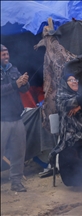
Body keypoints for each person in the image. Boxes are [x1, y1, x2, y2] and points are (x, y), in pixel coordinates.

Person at [1, 44, 30, 192]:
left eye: (7, 54)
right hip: (1, 120)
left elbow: (23, 89)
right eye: (3, 54)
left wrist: (24, 82)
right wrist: (15, 84)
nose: (6, 57)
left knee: (18, 151)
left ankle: (16, 182)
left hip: (17, 117)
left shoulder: (13, 69)